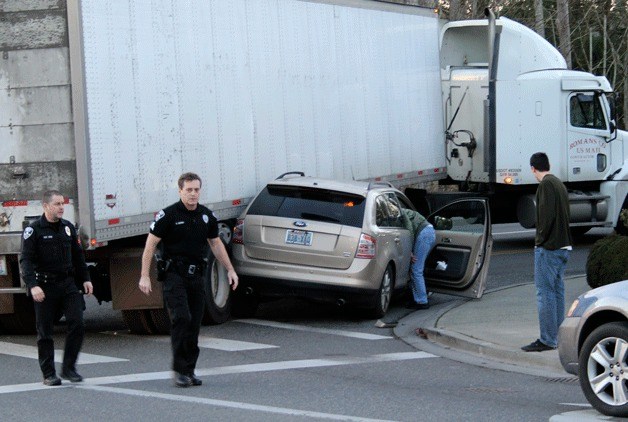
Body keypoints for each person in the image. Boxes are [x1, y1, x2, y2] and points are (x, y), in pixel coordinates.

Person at [138, 172, 238, 387]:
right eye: (189, 190)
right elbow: (150, 246)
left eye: (196, 190)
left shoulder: (206, 216)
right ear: (180, 191)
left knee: (194, 324)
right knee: (181, 318)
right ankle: (180, 370)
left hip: (197, 276)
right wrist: (144, 276)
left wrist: (230, 269)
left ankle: (189, 370)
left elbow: (216, 244)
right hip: (175, 275)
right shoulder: (169, 215)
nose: (193, 194)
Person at [20, 190, 94, 386]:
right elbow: (25, 260)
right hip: (44, 286)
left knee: (77, 323)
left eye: (63, 203)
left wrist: (85, 279)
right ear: (46, 206)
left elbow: (78, 256)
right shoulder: (34, 230)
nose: (62, 207)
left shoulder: (68, 228)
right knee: (45, 331)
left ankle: (69, 367)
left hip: (68, 284)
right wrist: (33, 285)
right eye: (57, 204)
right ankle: (49, 373)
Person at [522, 152, 573, 352]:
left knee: (544, 293)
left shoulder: (545, 185)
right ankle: (559, 335)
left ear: (533, 168)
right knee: (557, 292)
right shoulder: (559, 184)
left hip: (549, 247)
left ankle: (547, 339)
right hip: (564, 245)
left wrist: (539, 241)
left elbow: (545, 216)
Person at [401, 207, 436, 310]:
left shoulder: (401, 212)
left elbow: (409, 229)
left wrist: (410, 250)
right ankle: (417, 298)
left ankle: (422, 301)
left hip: (424, 235)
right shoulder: (402, 210)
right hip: (427, 233)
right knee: (416, 268)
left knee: (416, 269)